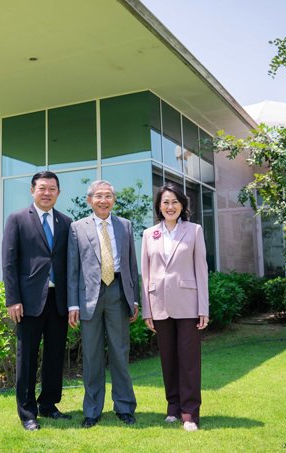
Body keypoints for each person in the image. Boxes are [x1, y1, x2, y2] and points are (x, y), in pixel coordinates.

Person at [2, 171, 73, 431]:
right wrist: (13, 299)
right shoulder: (17, 219)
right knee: (27, 358)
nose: (47, 193)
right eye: (42, 188)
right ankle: (27, 413)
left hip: (58, 300)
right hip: (28, 301)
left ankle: (49, 405)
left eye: (52, 189)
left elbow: (70, 265)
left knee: (55, 356)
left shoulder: (66, 222)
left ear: (58, 192)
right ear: (33, 190)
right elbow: (9, 262)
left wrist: (72, 302)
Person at [67, 180, 139, 429]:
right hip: (89, 297)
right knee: (92, 356)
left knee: (120, 353)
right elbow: (72, 269)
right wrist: (72, 305)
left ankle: (124, 407)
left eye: (108, 195)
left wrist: (134, 298)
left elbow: (131, 265)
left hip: (118, 292)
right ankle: (92, 410)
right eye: (99, 196)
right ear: (90, 200)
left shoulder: (125, 226)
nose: (104, 200)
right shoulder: (77, 228)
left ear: (114, 200)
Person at [140, 184, 210, 432]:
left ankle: (190, 412)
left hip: (188, 304)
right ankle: (173, 408)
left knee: (189, 361)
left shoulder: (194, 230)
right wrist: (147, 310)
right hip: (159, 304)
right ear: (159, 206)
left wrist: (204, 307)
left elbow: (201, 270)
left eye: (174, 202)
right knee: (168, 359)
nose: (170, 207)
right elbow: (146, 274)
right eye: (165, 202)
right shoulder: (149, 234)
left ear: (182, 205)